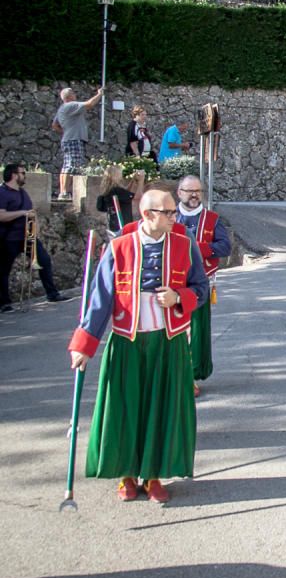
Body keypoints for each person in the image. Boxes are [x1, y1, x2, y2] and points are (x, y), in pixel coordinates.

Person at [68, 189, 209, 503]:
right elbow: (100, 299)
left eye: (175, 212)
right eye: (169, 212)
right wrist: (84, 345)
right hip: (126, 343)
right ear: (148, 215)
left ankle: (154, 476)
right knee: (126, 411)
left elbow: (201, 288)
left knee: (161, 411)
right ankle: (127, 475)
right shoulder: (119, 247)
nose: (176, 217)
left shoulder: (186, 246)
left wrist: (178, 298)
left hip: (168, 343)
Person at [176, 176, 231, 397]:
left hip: (200, 285)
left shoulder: (212, 219)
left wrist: (197, 249)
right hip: (172, 285)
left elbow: (224, 247)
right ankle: (175, 376)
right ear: (179, 192)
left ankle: (191, 376)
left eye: (198, 191)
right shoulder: (171, 216)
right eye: (189, 191)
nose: (194, 195)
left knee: (196, 333)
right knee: (176, 333)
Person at [0, 163, 69, 312]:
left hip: (27, 236)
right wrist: (22, 213)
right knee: (3, 270)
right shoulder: (2, 193)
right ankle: (4, 303)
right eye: (22, 173)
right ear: (14, 175)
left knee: (44, 260)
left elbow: (30, 212)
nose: (24, 175)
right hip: (9, 238)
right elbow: (1, 215)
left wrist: (34, 226)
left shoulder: (22, 192)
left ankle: (52, 293)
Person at [51, 87, 103, 200]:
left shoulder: (62, 108)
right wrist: (99, 94)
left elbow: (54, 126)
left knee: (68, 165)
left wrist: (66, 131)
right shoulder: (70, 105)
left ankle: (64, 192)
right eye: (73, 93)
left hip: (69, 139)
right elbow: (89, 104)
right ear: (69, 96)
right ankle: (64, 193)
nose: (75, 95)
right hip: (73, 139)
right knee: (70, 166)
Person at [95, 165, 144, 236]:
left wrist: (133, 180)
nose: (121, 176)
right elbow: (138, 196)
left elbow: (125, 192)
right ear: (116, 176)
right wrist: (141, 182)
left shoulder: (110, 190)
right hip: (122, 225)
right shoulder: (117, 191)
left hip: (113, 224)